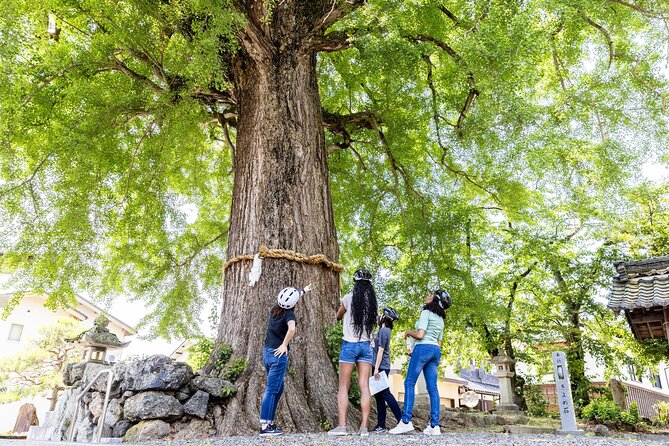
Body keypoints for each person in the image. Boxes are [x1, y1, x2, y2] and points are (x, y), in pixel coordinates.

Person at [389, 289, 451, 436]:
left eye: (431, 294)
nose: (427, 295)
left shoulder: (426, 313)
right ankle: (434, 426)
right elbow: (439, 342)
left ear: (434, 299)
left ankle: (405, 422)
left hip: (423, 348)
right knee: (433, 388)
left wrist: (408, 332)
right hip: (435, 351)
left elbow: (420, 335)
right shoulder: (441, 319)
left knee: (409, 383)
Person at [328, 269, 378, 437]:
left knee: (344, 386)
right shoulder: (372, 303)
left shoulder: (348, 298)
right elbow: (374, 324)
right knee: (365, 386)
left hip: (349, 345)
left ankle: (342, 427)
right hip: (366, 346)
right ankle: (363, 427)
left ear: (356, 283)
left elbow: (338, 316)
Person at [259, 284, 310, 436]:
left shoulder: (274, 310)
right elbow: (292, 329)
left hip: (267, 353)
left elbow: (292, 297)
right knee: (272, 389)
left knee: (278, 389)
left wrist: (303, 291)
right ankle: (264, 427)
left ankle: (270, 422)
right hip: (278, 356)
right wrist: (284, 345)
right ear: (293, 304)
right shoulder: (289, 315)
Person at [371, 307, 402, 433]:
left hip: (381, 366)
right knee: (379, 396)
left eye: (381, 314)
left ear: (385, 317)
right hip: (378, 366)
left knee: (386, 394)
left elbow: (381, 350)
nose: (379, 316)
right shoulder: (382, 330)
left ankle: (402, 421)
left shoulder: (384, 331)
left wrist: (376, 369)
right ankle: (381, 425)